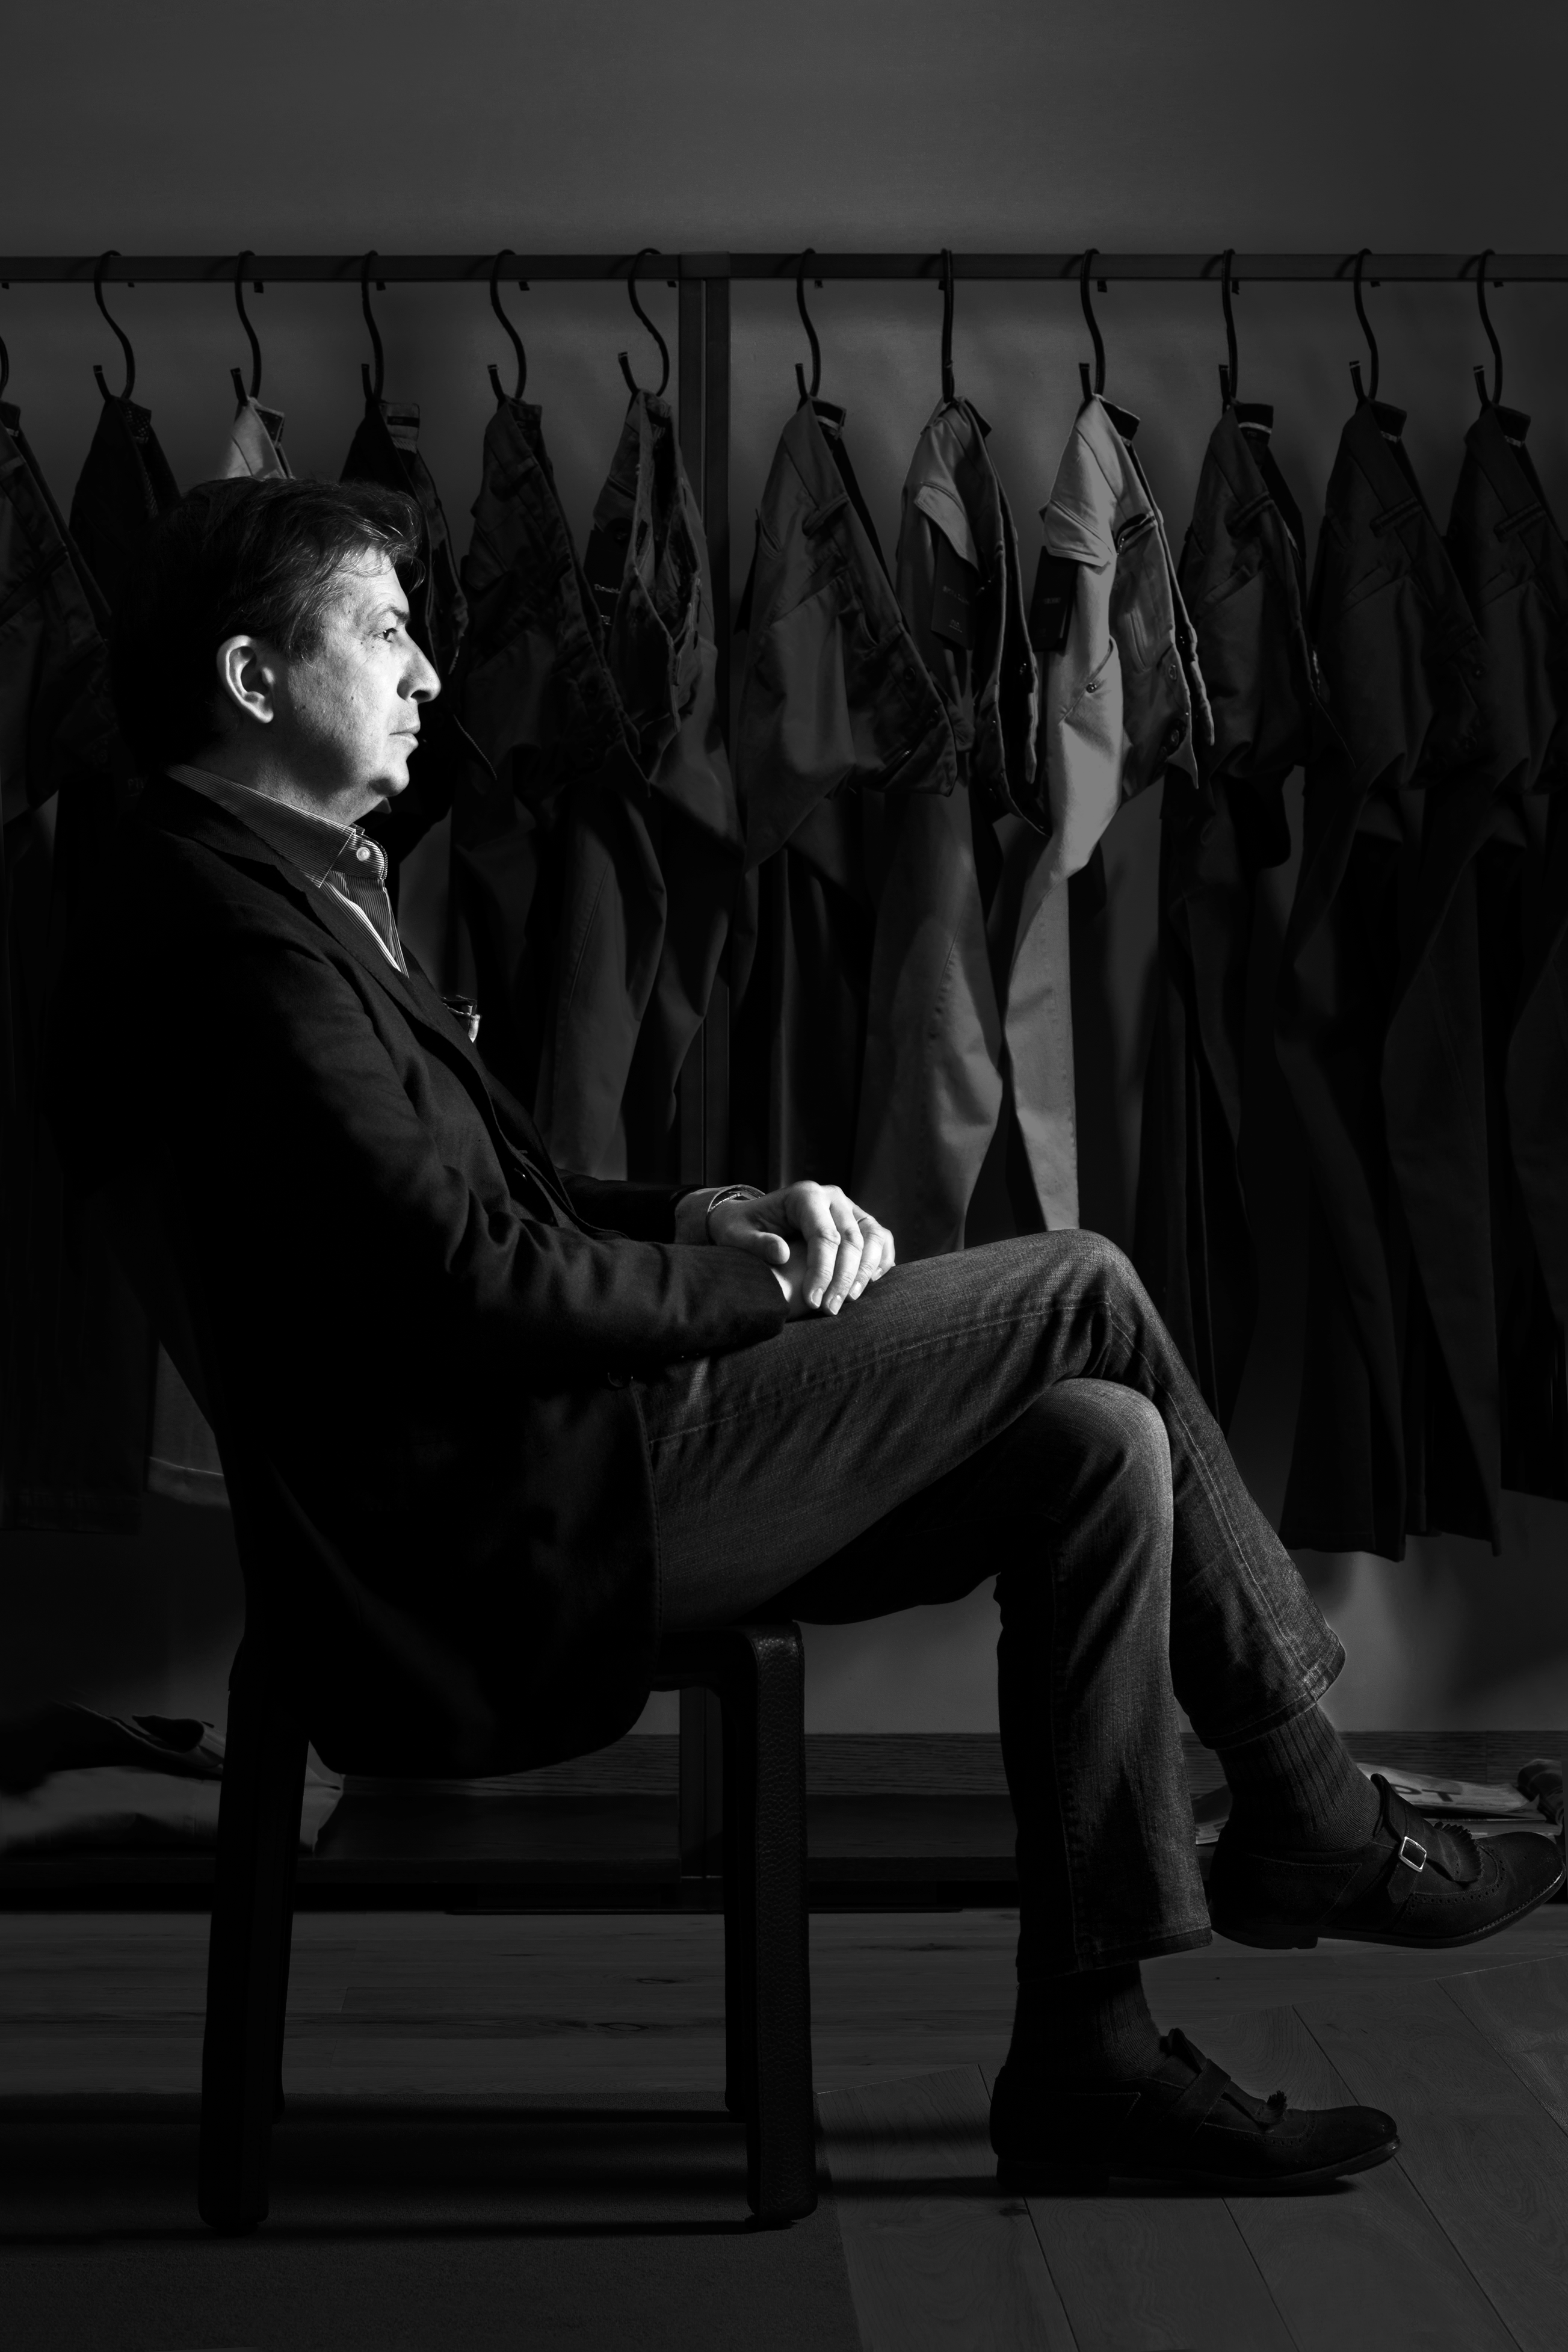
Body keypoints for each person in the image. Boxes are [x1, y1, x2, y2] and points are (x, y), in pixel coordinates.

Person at [46, 477, 1563, 2198]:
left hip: (535, 1470)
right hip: (501, 1532)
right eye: (384, 632)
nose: (428, 675)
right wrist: (770, 1291)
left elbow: (482, 1209)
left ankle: (1094, 2060)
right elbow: (468, 1282)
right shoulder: (233, 937)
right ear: (254, 680)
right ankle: (1314, 1812)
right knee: (1081, 1285)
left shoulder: (271, 886)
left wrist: (706, 1214)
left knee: (1100, 1445)